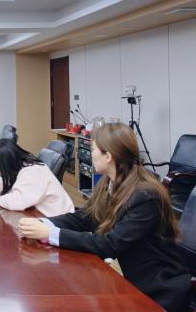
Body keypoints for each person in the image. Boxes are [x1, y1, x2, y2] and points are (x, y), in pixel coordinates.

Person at [18, 122, 190, 312]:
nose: (90, 154)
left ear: (108, 156)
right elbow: (85, 217)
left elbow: (110, 244)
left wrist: (50, 233)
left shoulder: (145, 196)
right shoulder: (110, 182)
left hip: (157, 289)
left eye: (93, 149)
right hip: (129, 278)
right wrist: (43, 223)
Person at [0, 139, 74, 217]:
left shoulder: (32, 171)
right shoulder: (21, 164)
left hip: (59, 219)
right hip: (41, 212)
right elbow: (7, 180)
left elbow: (16, 202)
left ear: (6, 165)